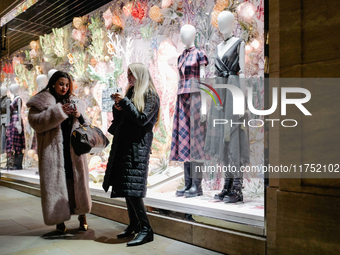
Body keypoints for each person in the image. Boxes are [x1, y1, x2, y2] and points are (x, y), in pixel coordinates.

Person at [26, 71, 92, 233]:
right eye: (61, 84)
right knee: (58, 183)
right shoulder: (41, 102)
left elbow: (87, 124)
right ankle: (59, 219)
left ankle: (82, 215)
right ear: (53, 83)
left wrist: (79, 116)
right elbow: (36, 122)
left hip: (74, 150)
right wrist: (59, 111)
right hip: (52, 151)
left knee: (76, 182)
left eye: (67, 85)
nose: (64, 88)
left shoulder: (76, 101)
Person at [103, 63, 160, 247]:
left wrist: (125, 103)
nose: (128, 76)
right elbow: (122, 120)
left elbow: (142, 120)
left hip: (137, 148)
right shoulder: (131, 93)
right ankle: (134, 224)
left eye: (132, 73)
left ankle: (146, 229)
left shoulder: (150, 94)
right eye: (127, 73)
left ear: (140, 75)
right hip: (125, 146)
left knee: (134, 190)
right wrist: (118, 107)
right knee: (128, 187)